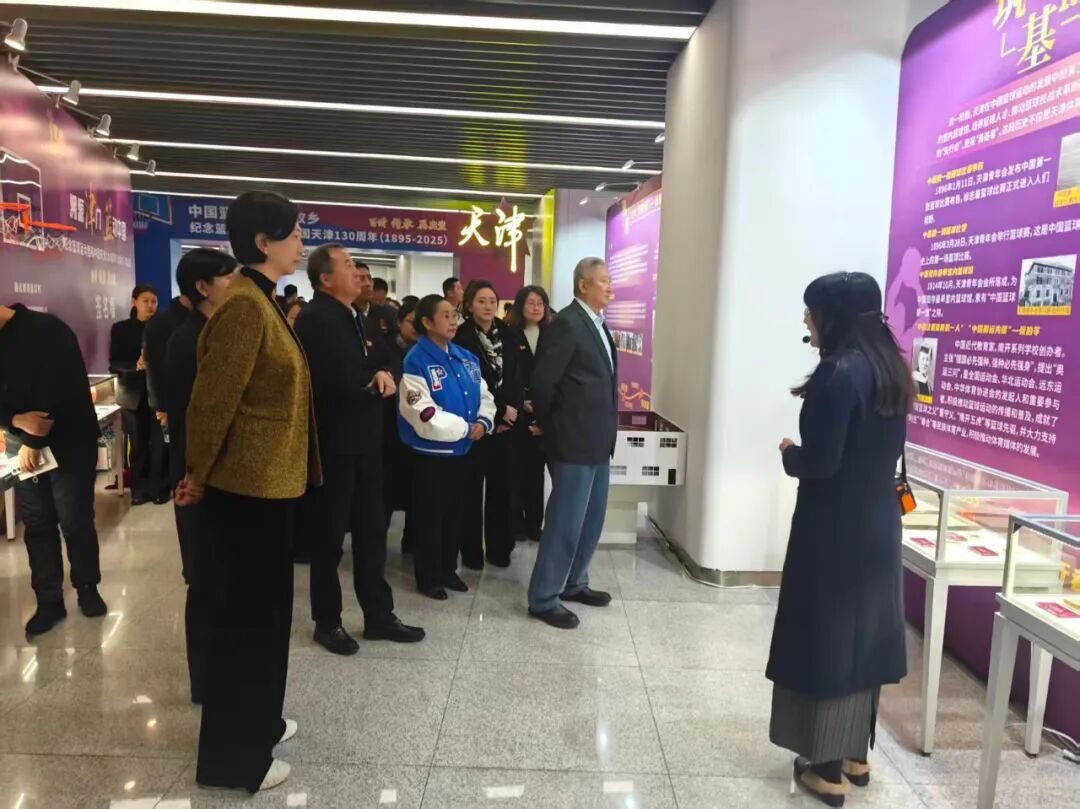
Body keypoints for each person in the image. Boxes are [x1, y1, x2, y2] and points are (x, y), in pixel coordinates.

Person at [177, 190, 321, 794]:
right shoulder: (243, 306)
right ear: (263, 242)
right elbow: (211, 403)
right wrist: (196, 474)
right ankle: (234, 762)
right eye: (294, 233)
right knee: (246, 625)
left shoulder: (261, 299)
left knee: (267, 619)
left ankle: (260, 722)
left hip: (269, 484)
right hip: (245, 489)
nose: (301, 243)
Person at [768, 271, 912, 807]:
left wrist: (790, 454)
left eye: (812, 312)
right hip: (878, 525)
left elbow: (822, 463)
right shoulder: (890, 367)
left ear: (834, 316)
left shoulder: (837, 373)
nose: (808, 321)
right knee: (864, 638)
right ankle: (856, 755)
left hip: (831, 530)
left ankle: (826, 769)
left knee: (825, 637)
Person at [295, 244, 425, 655]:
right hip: (334, 444)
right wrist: (373, 378)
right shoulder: (315, 319)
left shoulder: (360, 315)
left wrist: (384, 371)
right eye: (349, 266)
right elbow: (333, 376)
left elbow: (389, 358)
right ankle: (327, 621)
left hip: (369, 441)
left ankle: (379, 616)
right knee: (330, 537)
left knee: (372, 532)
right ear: (325, 279)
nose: (358, 273)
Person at [0, 305, 107, 636]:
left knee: (75, 519)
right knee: (37, 523)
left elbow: (57, 389)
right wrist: (14, 422)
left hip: (69, 441)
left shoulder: (46, 330)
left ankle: (87, 587)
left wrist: (33, 439)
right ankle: (48, 601)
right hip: (21, 443)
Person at [163, 248, 238, 703]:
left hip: (220, 474)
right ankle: (207, 684)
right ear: (203, 287)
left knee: (224, 580)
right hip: (198, 477)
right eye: (228, 276)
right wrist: (197, 476)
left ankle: (221, 676)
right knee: (206, 580)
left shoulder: (219, 331)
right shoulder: (188, 340)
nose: (236, 283)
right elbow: (193, 418)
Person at [526, 258, 617, 630]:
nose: (610, 287)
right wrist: (555, 431)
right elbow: (543, 385)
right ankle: (544, 597)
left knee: (591, 520)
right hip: (574, 442)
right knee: (564, 522)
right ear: (583, 285)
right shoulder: (567, 323)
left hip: (598, 442)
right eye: (604, 281)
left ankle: (574, 582)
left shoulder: (597, 323)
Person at [398, 295, 495, 599]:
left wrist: (484, 421)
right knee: (431, 518)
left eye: (454, 315)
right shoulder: (416, 360)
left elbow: (485, 395)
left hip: (464, 452)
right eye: (445, 316)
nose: (453, 321)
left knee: (456, 514)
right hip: (432, 456)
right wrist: (466, 428)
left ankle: (448, 569)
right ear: (427, 322)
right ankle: (428, 577)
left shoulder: (466, 357)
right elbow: (423, 413)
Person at [453, 280, 523, 569]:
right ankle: (471, 552)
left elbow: (517, 376)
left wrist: (511, 412)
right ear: (470, 305)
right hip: (477, 425)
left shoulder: (508, 333)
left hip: (507, 426)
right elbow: (467, 383)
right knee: (471, 492)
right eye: (481, 301)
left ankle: (500, 549)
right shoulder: (460, 337)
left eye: (492, 300)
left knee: (502, 490)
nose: (488, 306)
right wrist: (496, 414)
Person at [110, 283, 168, 505]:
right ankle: (139, 489)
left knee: (160, 444)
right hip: (132, 394)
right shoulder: (121, 329)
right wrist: (134, 365)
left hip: (159, 394)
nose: (150, 305)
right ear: (134, 302)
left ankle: (159, 488)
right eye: (145, 301)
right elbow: (114, 363)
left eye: (154, 301)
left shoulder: (163, 327)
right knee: (137, 444)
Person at [504, 285, 554, 542]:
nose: (536, 307)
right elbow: (506, 373)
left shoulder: (552, 334)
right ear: (520, 306)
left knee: (536, 473)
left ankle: (534, 525)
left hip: (544, 413)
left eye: (540, 303)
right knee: (516, 471)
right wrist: (520, 401)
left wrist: (543, 407)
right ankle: (515, 525)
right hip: (517, 411)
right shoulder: (510, 334)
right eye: (531, 302)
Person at [143, 290, 192, 500]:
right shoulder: (161, 323)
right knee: (171, 452)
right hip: (172, 404)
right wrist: (162, 406)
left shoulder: (204, 318)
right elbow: (154, 367)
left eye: (153, 300)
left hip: (196, 405)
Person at [388, 297, 421, 553]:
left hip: (418, 431)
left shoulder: (426, 352)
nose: (416, 327)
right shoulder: (387, 349)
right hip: (390, 432)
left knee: (415, 494)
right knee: (387, 494)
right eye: (411, 321)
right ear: (399, 322)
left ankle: (411, 541)